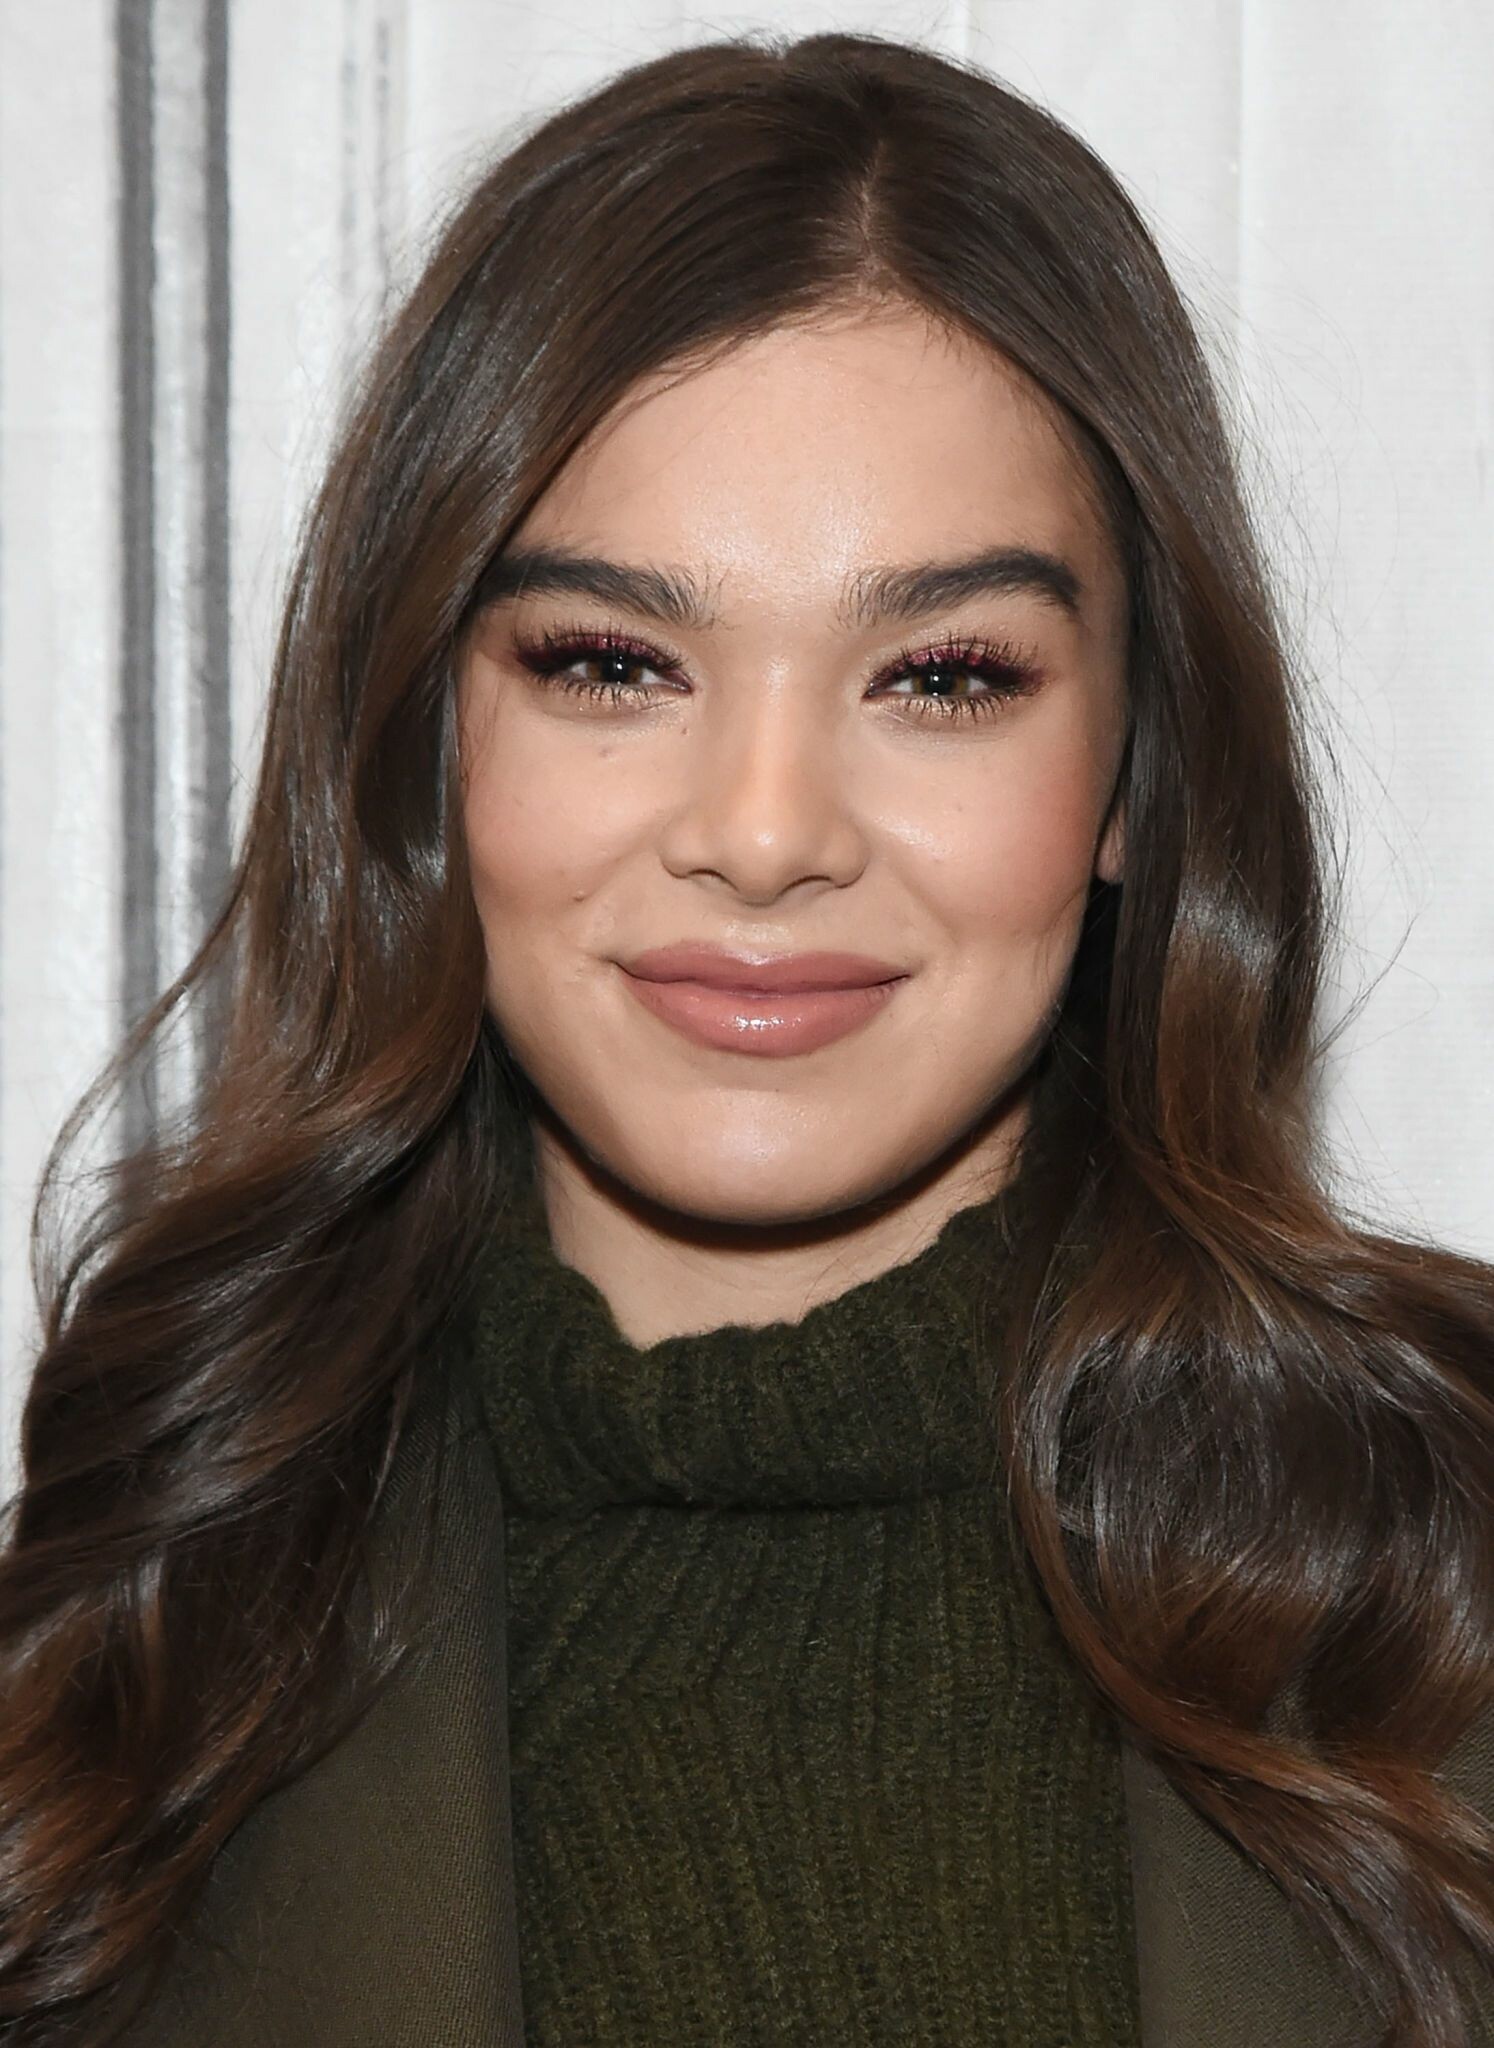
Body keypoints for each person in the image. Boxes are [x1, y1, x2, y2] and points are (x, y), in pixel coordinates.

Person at [2, 28, 1491, 2048]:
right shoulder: (126, 1665)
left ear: (1135, 768)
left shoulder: (1451, 1577)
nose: (768, 832)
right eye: (611, 662)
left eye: (941, 676)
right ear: (427, 737)